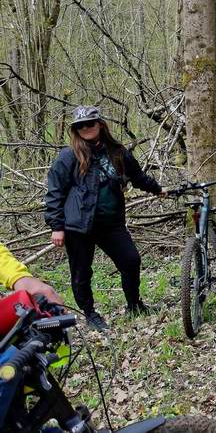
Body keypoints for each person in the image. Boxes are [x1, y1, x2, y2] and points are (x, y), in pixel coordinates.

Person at [45, 106, 166, 331]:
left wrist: (157, 189)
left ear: (100, 124)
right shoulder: (69, 155)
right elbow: (55, 191)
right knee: (82, 273)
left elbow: (137, 176)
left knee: (131, 261)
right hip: (79, 225)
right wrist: (56, 226)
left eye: (90, 123)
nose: (86, 128)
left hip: (111, 224)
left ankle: (134, 304)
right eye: (80, 125)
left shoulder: (117, 152)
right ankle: (90, 314)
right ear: (75, 129)